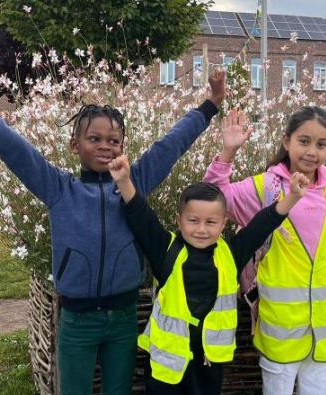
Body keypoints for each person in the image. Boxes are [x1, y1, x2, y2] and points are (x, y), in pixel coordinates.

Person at [0, 70, 227, 395]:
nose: (105, 147)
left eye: (113, 141)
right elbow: (12, 147)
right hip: (77, 321)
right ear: (75, 145)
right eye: (94, 139)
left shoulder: (134, 183)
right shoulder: (58, 189)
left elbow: (172, 144)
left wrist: (210, 105)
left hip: (123, 319)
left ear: (123, 147)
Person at [203, 107, 326, 394]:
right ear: (286, 141)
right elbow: (211, 199)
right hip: (279, 332)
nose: (312, 151)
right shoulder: (266, 189)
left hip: (321, 334)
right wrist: (228, 152)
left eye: (321, 144)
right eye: (304, 141)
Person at [109, 152, 308, 394]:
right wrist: (124, 181)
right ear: (179, 220)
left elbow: (261, 225)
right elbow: (142, 217)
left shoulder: (230, 255)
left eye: (211, 222)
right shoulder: (166, 249)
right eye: (193, 220)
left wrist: (293, 197)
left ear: (224, 223)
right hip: (167, 368)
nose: (201, 229)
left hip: (208, 364)